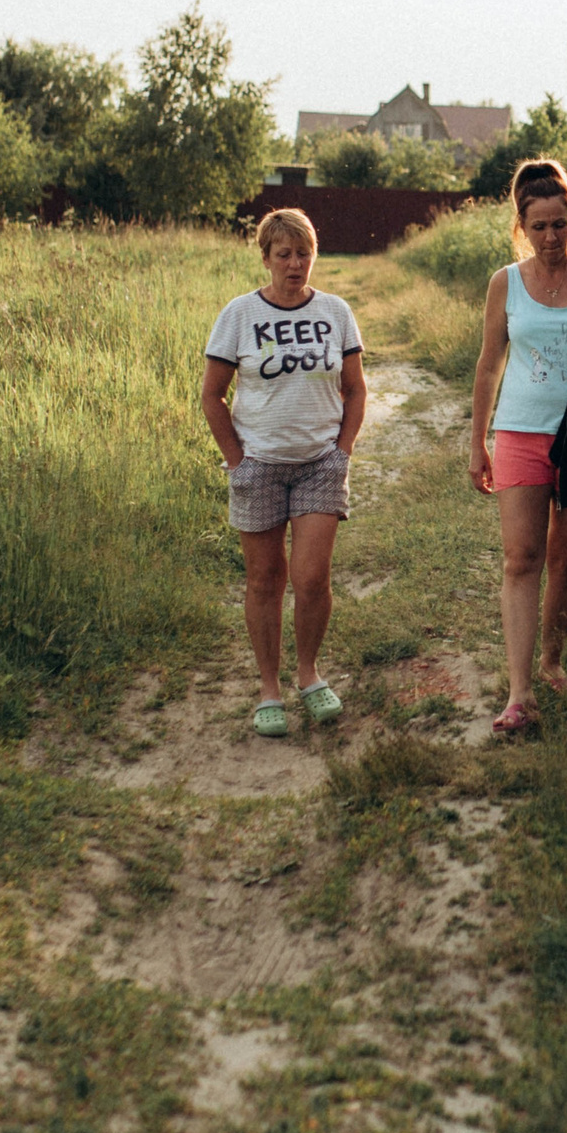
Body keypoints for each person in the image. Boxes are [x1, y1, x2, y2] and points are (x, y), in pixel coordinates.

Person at [468, 160, 567, 734]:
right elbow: (489, 365)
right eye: (538, 226)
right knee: (521, 559)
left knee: (566, 559)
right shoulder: (504, 283)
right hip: (519, 431)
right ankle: (519, 694)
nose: (551, 237)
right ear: (522, 226)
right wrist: (477, 443)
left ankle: (553, 661)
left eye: (560, 224)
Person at [201, 209, 366, 737]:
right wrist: (236, 461)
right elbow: (212, 395)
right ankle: (269, 688)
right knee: (264, 580)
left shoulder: (336, 312)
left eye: (304, 254)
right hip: (260, 467)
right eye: (284, 255)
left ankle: (309, 675)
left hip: (320, 463)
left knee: (312, 578)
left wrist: (342, 451)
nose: (295, 265)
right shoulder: (239, 315)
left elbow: (356, 390)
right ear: (266, 258)